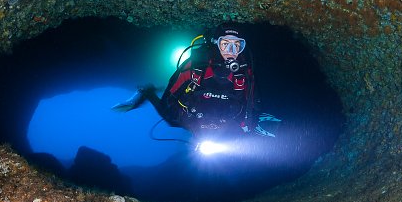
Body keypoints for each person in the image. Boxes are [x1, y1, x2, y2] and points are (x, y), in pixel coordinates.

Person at [115, 23, 279, 138]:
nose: (231, 51)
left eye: (237, 45)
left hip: (226, 118)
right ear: (216, 44)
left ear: (242, 48)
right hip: (193, 115)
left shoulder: (244, 72)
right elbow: (170, 96)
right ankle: (147, 92)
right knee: (171, 120)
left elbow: (253, 104)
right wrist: (183, 115)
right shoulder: (196, 65)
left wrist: (247, 125)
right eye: (225, 44)